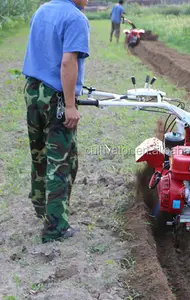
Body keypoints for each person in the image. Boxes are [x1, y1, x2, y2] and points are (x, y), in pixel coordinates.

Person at [22, 0, 90, 243]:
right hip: (55, 98)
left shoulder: (42, 9)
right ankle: (55, 227)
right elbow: (67, 62)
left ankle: (42, 207)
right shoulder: (76, 18)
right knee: (61, 159)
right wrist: (70, 105)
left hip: (32, 91)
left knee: (39, 152)